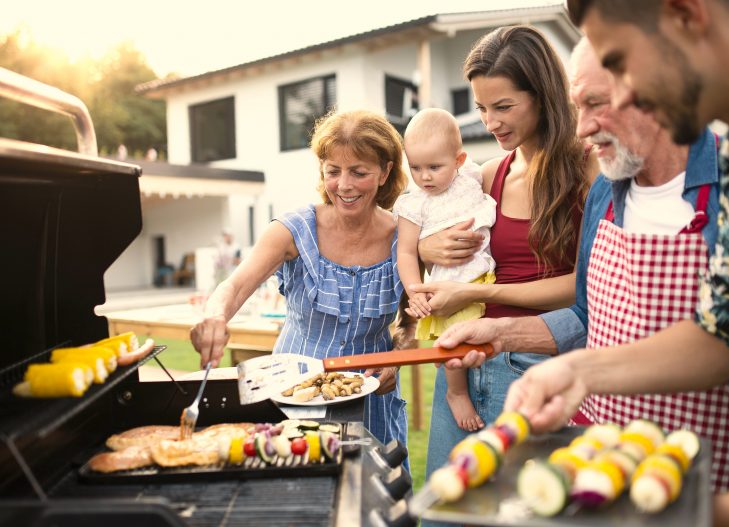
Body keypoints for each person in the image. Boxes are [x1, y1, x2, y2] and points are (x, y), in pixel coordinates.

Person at [447, 1, 729, 524]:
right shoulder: (616, 192)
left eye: (617, 72)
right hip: (616, 470)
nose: (580, 129)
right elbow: (727, 331)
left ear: (687, 20)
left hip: (719, 474)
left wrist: (690, 507)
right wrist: (566, 364)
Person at [417, 27, 594, 526]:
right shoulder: (488, 174)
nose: (490, 122)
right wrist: (429, 247)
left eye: (504, 106)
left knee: (526, 513)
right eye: (480, 109)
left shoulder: (587, 168)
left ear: (543, 95)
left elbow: (586, 285)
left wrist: (487, 293)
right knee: (447, 512)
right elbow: (420, 224)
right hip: (465, 364)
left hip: (534, 366)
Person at [190, 109, 413, 463]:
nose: (344, 185)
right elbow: (234, 286)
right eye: (333, 171)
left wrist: (397, 357)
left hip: (372, 402)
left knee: (374, 507)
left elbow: (411, 319)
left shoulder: (404, 236)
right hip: (293, 396)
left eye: (359, 172)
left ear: (385, 172)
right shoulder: (293, 230)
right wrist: (215, 317)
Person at [393, 107, 497, 431]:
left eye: (434, 167)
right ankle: (456, 392)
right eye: (415, 167)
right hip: (449, 282)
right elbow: (406, 253)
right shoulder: (414, 203)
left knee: (479, 343)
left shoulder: (473, 177)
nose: (424, 177)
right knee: (453, 341)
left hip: (484, 275)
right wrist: (415, 291)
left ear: (460, 161)